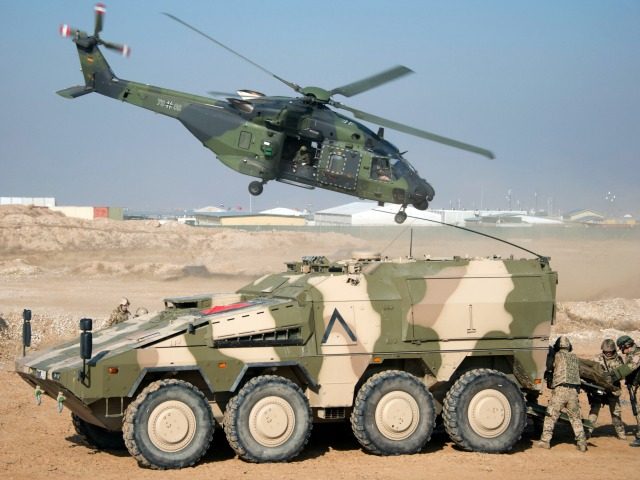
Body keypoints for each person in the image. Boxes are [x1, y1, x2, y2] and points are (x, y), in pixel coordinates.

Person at [536, 335, 588, 452]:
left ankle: (545, 441)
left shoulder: (557, 356)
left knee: (551, 415)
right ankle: (582, 442)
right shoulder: (574, 357)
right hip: (573, 391)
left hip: (560, 390)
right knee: (575, 418)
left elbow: (549, 367)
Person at [586, 339, 626, 440]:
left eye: (610, 351)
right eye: (606, 351)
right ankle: (588, 432)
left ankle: (621, 434)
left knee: (616, 413)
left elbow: (622, 374)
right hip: (599, 389)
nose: (608, 353)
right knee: (594, 411)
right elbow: (590, 372)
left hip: (613, 389)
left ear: (614, 350)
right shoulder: (597, 358)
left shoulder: (619, 359)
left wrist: (612, 377)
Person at [611, 335, 640, 447]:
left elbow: (629, 368)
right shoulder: (630, 354)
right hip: (634, 384)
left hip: (636, 384)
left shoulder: (637, 354)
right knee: (636, 410)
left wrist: (612, 376)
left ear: (626, 345)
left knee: (638, 411)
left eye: (622, 348)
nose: (622, 351)